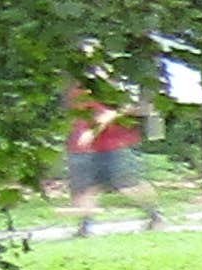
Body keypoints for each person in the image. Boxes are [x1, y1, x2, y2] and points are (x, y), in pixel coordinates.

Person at [63, 82, 161, 234]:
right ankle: (85, 227)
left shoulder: (102, 90)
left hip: (114, 146)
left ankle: (155, 215)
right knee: (87, 188)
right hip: (92, 150)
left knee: (129, 186)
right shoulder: (80, 91)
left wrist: (91, 132)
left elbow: (109, 114)